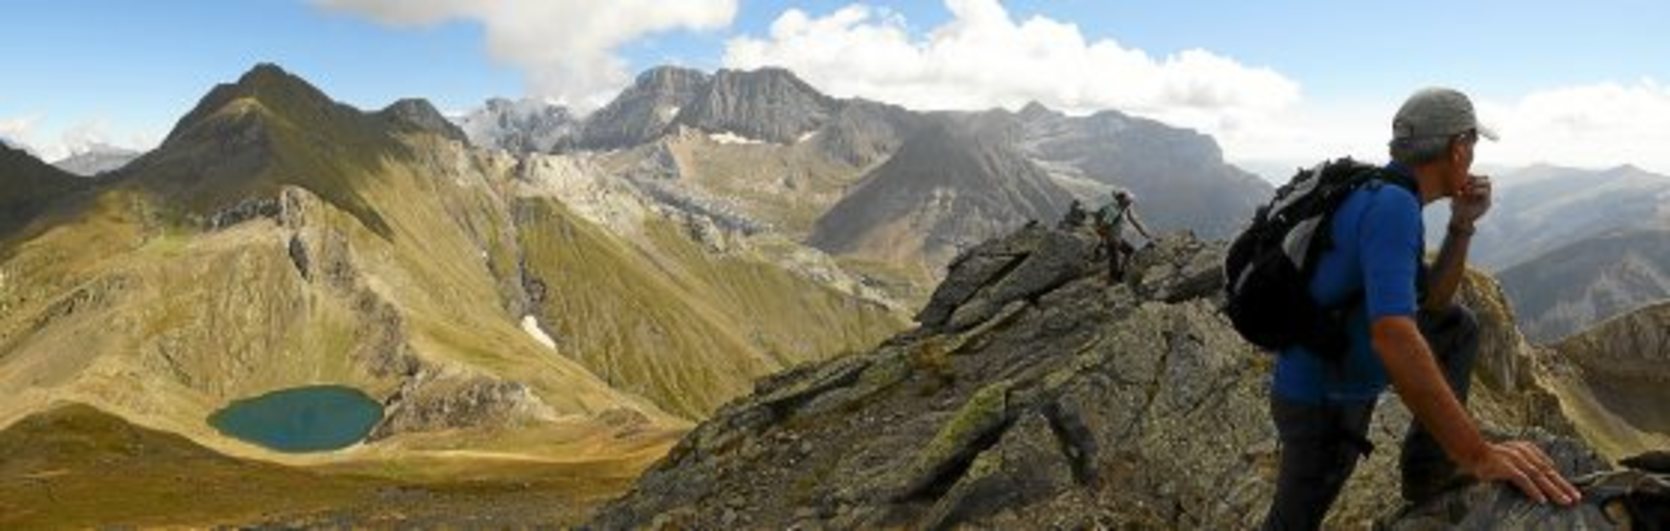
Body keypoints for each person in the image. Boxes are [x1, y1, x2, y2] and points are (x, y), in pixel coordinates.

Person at [1261, 88, 1582, 530]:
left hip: (1325, 370)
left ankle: (1426, 474)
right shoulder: (1393, 209)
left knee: (1457, 326)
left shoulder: (1384, 194)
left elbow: (1431, 303)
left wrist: (1462, 224)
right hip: (1324, 398)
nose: (1472, 157)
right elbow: (1393, 336)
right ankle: (1435, 468)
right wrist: (1476, 454)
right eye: (1472, 146)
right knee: (1295, 519)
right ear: (1457, 148)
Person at [1092, 190, 1153, 283]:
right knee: (1115, 259)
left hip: (1117, 237)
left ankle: (1119, 276)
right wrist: (1103, 239)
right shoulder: (1114, 210)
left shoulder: (1124, 208)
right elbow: (1105, 224)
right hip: (1112, 239)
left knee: (1127, 252)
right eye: (1128, 200)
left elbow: (1133, 220)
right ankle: (1114, 279)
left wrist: (1145, 234)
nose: (1130, 202)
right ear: (1122, 200)